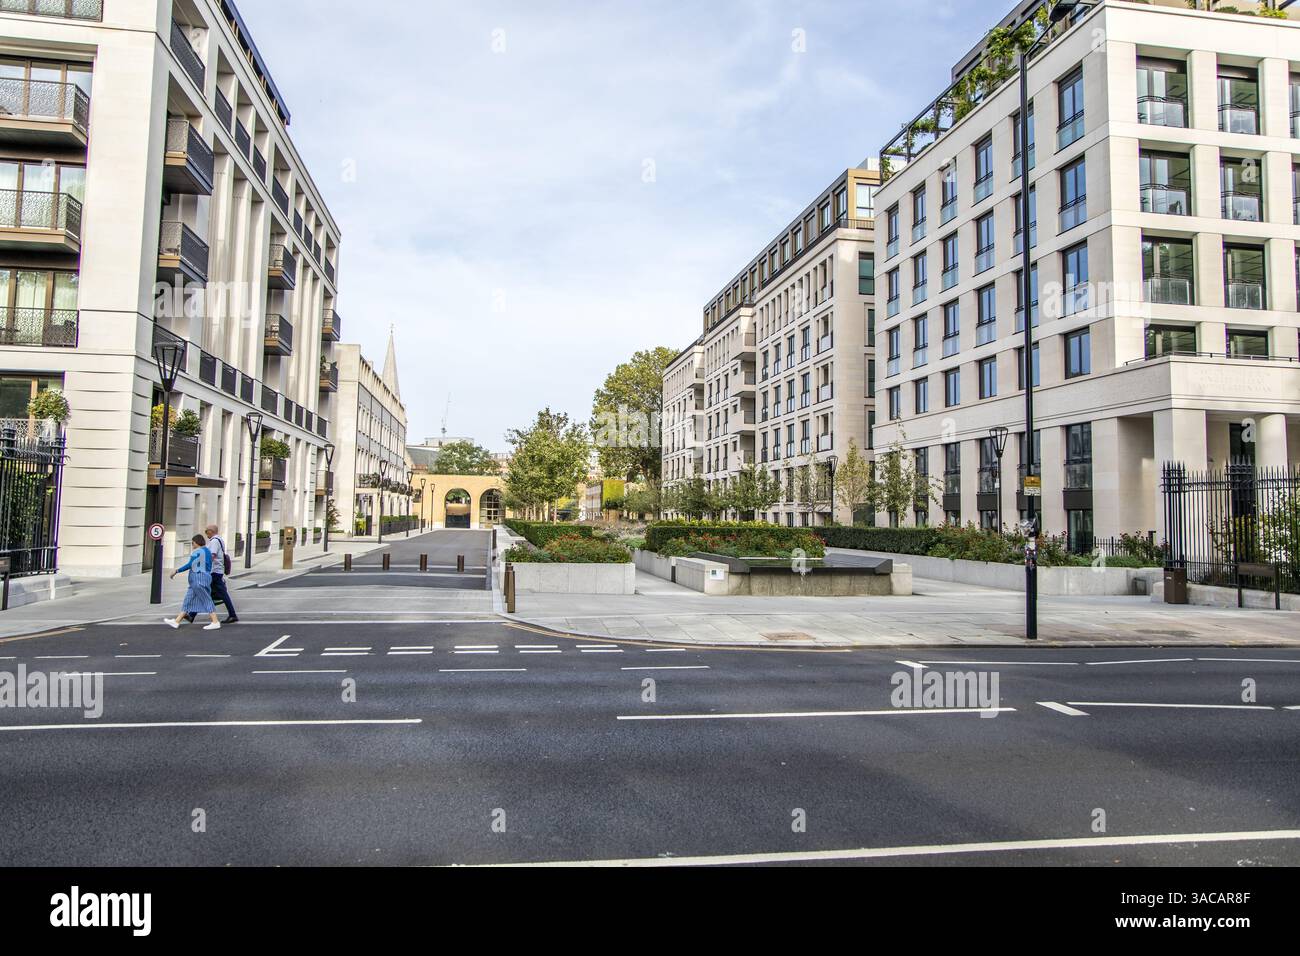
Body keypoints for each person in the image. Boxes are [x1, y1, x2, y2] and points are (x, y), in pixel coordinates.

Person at [165, 534, 220, 631]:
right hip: (203, 578)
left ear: (196, 542)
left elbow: (190, 564)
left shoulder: (197, 551)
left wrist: (176, 570)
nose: (192, 545)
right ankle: (177, 621)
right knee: (188, 599)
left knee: (206, 599)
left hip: (197, 578)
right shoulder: (207, 551)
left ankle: (215, 622)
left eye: (193, 543)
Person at [186, 523, 238, 624]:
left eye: (206, 531)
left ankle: (232, 615)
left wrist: (205, 567)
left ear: (211, 531)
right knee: (207, 592)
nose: (206, 534)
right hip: (217, 571)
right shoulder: (219, 540)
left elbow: (212, 556)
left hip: (214, 572)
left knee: (209, 592)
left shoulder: (214, 541)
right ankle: (192, 615)